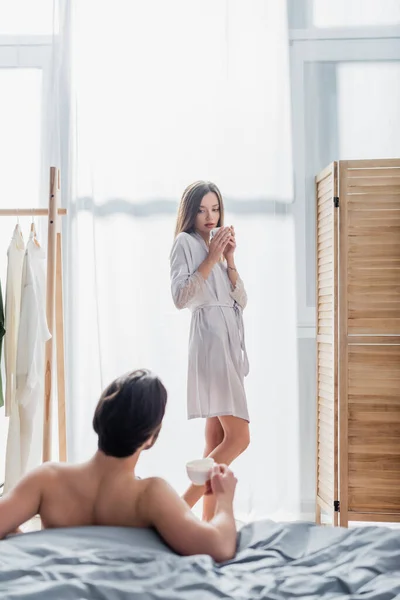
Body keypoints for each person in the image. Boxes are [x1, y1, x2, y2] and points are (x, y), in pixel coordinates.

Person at [0, 369, 238, 562]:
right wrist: (224, 500)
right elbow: (219, 547)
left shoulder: (47, 479)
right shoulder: (150, 495)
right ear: (149, 439)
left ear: (98, 418)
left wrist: (28, 547)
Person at [170, 181, 250, 522]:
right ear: (190, 212)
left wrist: (229, 259)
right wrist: (213, 257)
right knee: (239, 437)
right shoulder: (185, 243)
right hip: (210, 344)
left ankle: (205, 525)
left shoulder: (216, 245)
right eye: (202, 209)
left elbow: (241, 301)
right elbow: (180, 298)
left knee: (215, 438)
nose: (209, 216)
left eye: (215, 209)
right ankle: (174, 512)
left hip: (227, 342)